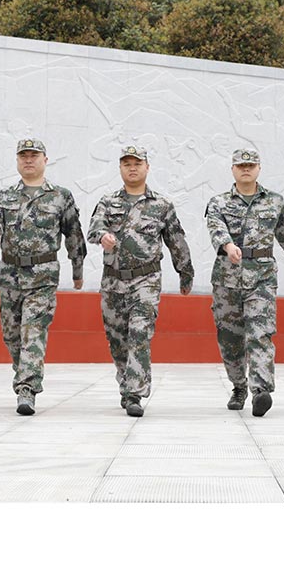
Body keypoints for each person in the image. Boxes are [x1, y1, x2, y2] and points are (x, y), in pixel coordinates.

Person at [0, 138, 85, 415]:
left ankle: (27, 389)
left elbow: (74, 235)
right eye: (23, 156)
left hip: (43, 276)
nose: (28, 160)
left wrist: (77, 270)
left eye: (34, 155)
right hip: (10, 275)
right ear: (17, 160)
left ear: (45, 160)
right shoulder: (4, 195)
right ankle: (25, 371)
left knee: (33, 330)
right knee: (11, 334)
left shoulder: (60, 196)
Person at [88, 146, 194, 416]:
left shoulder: (161, 205)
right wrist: (103, 236)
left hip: (146, 280)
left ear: (147, 167)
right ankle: (126, 384)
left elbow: (176, 241)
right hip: (113, 282)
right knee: (117, 339)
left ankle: (135, 393)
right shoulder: (108, 201)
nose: (132, 168)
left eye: (137, 163)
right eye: (127, 164)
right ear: (120, 168)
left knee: (139, 333)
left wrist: (185, 272)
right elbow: (95, 227)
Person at [205, 148, 284, 417]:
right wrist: (228, 245)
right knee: (230, 338)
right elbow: (216, 228)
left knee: (260, 333)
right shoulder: (219, 202)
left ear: (259, 168)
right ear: (233, 170)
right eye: (241, 165)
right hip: (226, 279)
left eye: (250, 165)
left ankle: (261, 390)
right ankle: (239, 385)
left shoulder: (274, 201)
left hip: (262, 277)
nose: (246, 169)